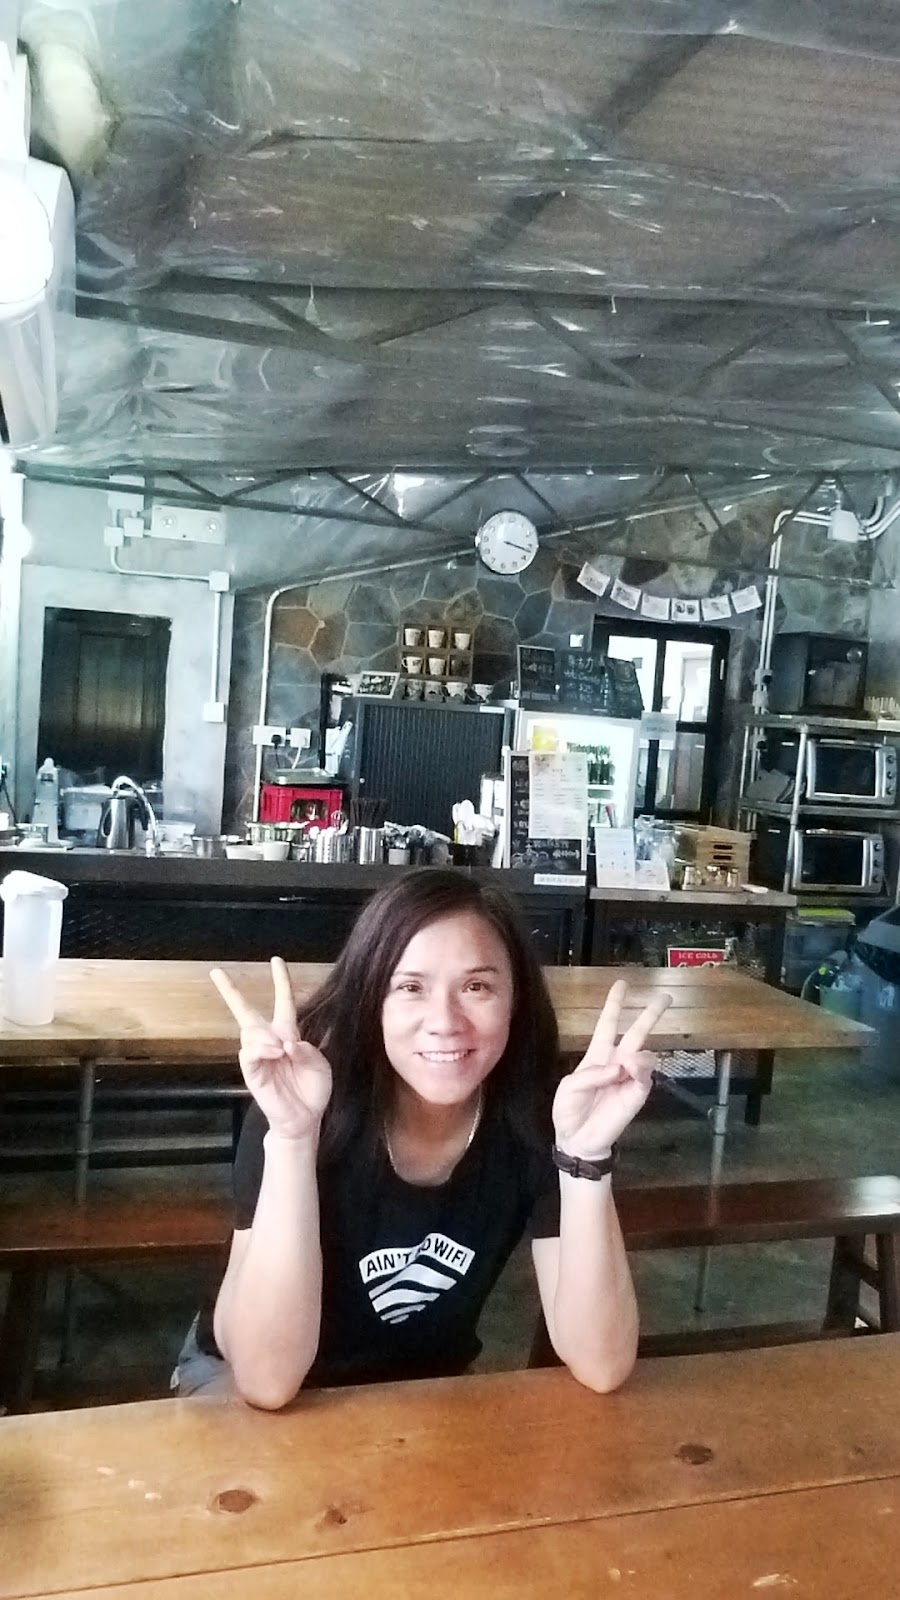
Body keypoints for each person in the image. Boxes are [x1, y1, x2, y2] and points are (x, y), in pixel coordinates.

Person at [174, 869, 670, 1408]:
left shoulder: (539, 1116)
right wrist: (294, 1139)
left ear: (516, 1000)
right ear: (371, 1001)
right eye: (410, 988)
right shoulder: (300, 1104)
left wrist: (585, 1158)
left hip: (421, 1394)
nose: (445, 1021)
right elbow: (267, 1382)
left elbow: (601, 1364)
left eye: (476, 987)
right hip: (252, 1387)